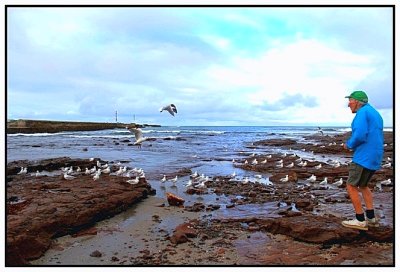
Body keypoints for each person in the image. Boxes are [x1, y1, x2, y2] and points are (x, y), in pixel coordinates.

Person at [341, 90, 384, 231]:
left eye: (351, 100)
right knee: (363, 185)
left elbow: (360, 134)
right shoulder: (374, 113)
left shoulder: (362, 113)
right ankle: (371, 218)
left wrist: (349, 145)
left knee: (351, 186)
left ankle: (360, 220)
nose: (349, 104)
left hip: (363, 156)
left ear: (358, 102)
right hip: (375, 155)